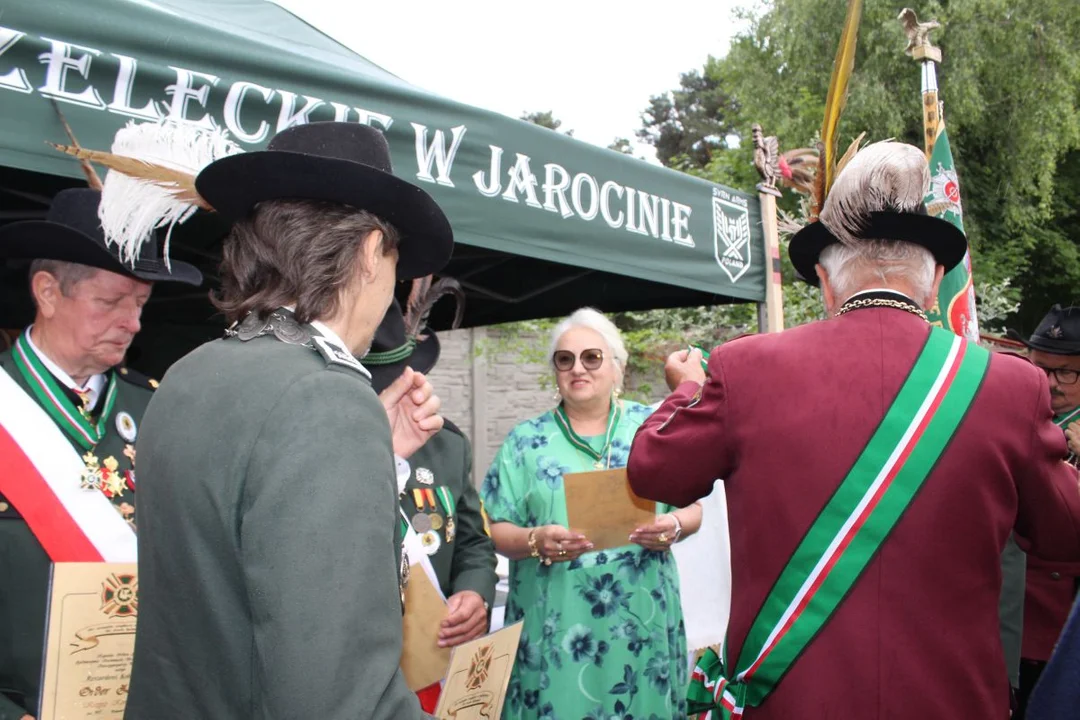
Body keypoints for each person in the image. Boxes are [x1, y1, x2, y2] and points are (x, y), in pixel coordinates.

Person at [627, 141, 1080, 719]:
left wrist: (689, 386)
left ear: (823, 279)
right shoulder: (1010, 386)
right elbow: (1066, 534)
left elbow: (653, 470)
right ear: (937, 278)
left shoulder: (744, 368)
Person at [123, 122, 453, 720]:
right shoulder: (324, 399)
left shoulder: (189, 374)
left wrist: (370, 447)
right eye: (396, 257)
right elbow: (337, 696)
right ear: (370, 250)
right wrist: (346, 428)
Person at [0, 187, 202, 720]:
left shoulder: (156, 408)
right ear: (47, 292)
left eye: (140, 305)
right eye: (110, 302)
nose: (132, 324)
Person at [481, 307, 702, 720]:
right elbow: (494, 529)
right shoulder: (526, 442)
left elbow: (693, 509)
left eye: (591, 357)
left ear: (616, 367)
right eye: (565, 359)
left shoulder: (652, 429)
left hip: (641, 623)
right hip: (556, 624)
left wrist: (672, 525)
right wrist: (534, 540)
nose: (577, 368)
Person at [364, 288, 498, 712]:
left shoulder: (448, 444)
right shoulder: (324, 441)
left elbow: (474, 542)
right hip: (358, 668)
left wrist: (475, 594)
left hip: (435, 667)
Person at [1009, 305, 1080, 717]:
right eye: (1040, 368)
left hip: (1063, 626)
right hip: (1013, 618)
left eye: (1066, 372)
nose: (1050, 383)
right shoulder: (1016, 414)